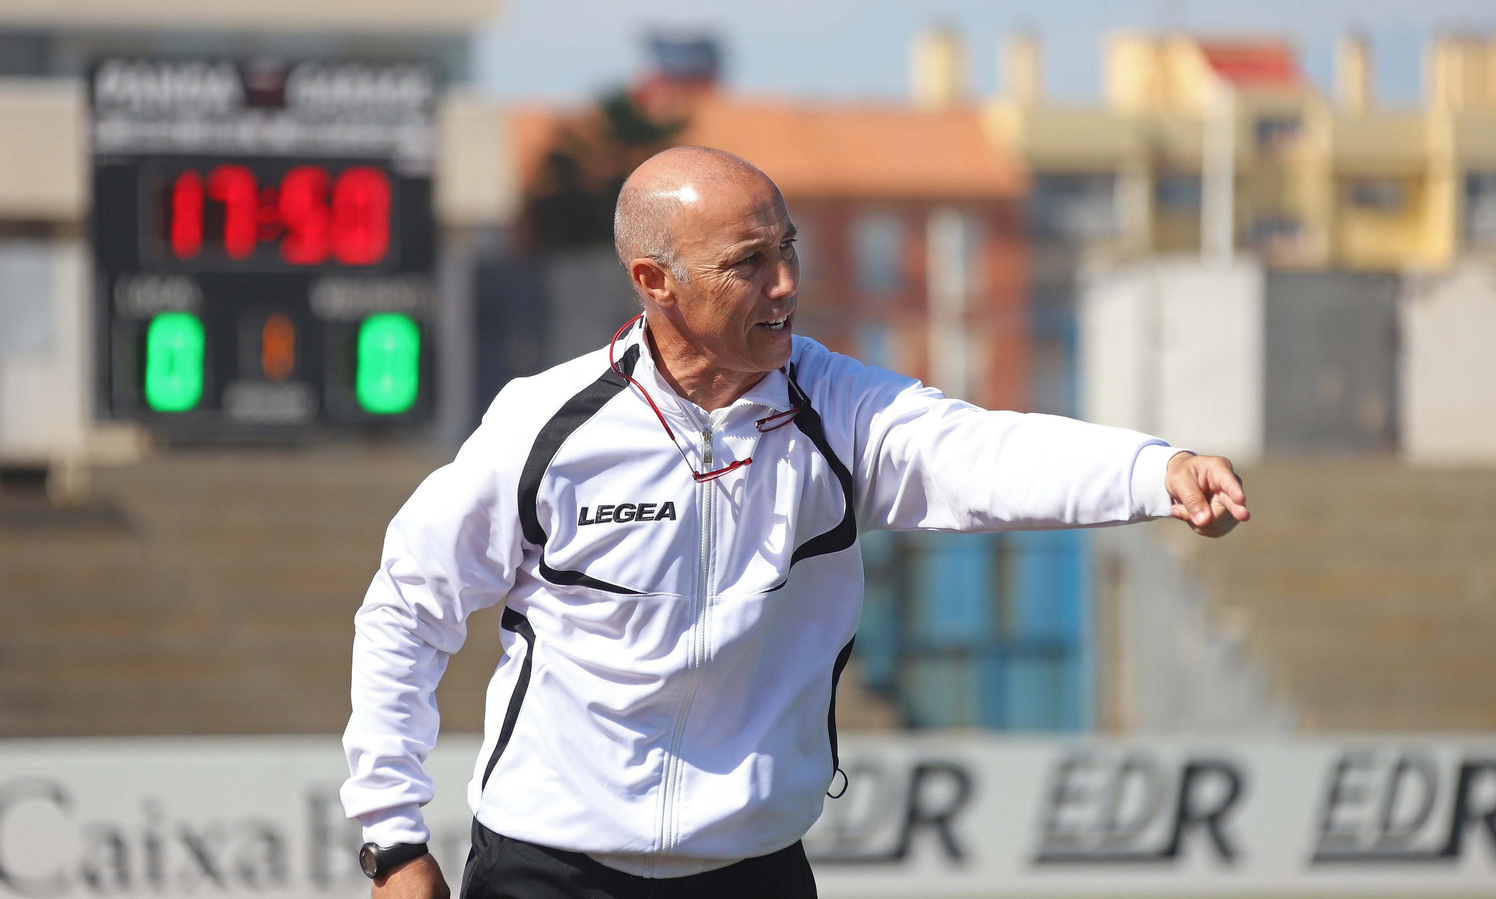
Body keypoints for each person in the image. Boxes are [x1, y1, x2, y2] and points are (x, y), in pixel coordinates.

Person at [341, 146, 1249, 899]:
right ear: (655, 281)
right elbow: (407, 607)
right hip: (545, 871)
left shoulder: (838, 407)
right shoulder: (545, 426)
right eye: (748, 262)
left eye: (789, 248)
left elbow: (978, 453)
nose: (785, 283)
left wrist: (1154, 470)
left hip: (753, 874)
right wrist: (391, 839)